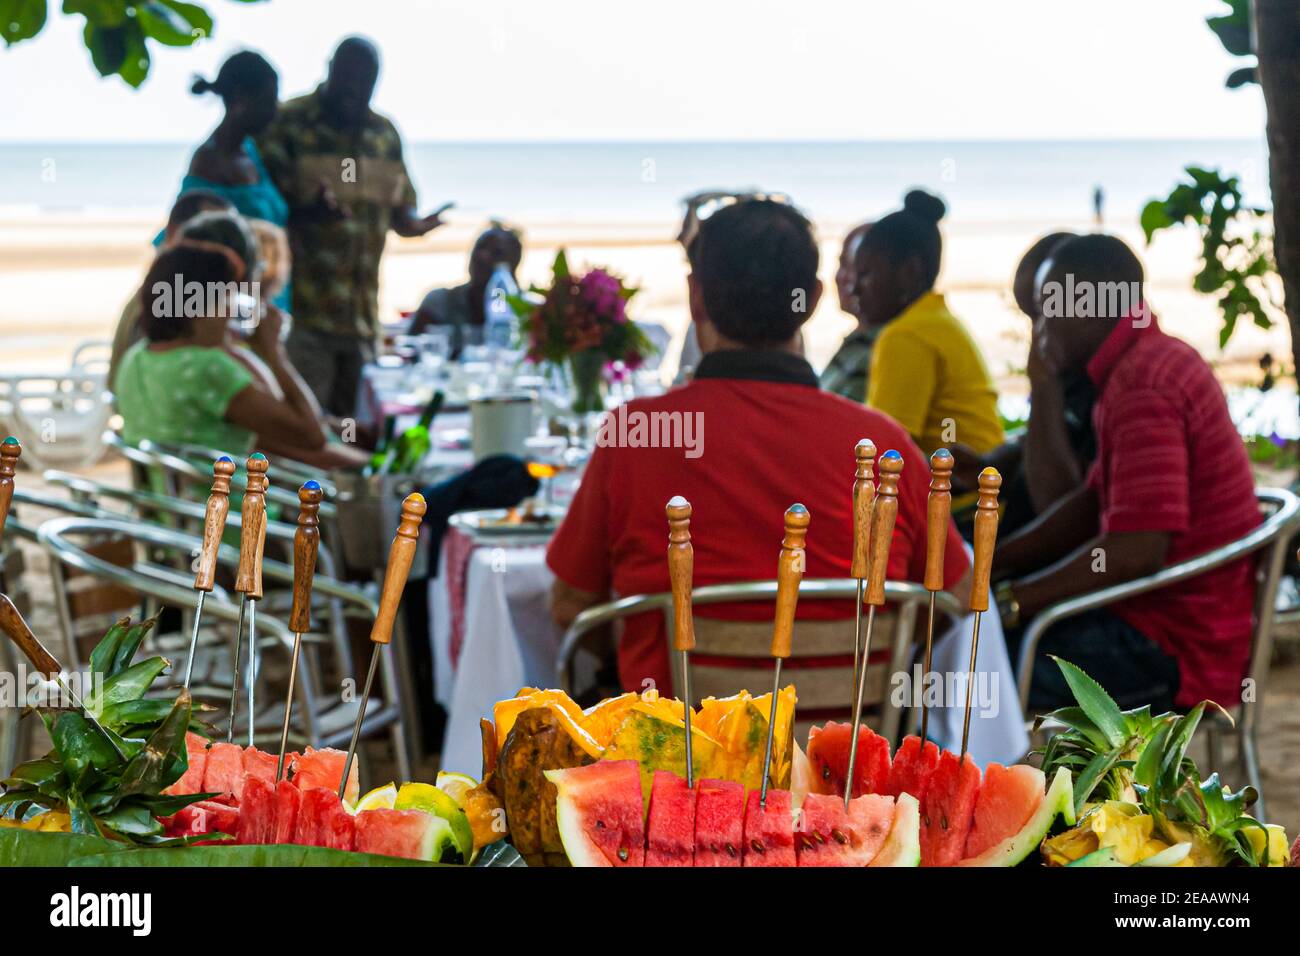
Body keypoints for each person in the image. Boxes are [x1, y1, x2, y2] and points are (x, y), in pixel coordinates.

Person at [546, 198, 971, 695]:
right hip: (843, 759)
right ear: (811, 300)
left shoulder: (636, 434)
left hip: (676, 758)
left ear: (695, 297)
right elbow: (956, 599)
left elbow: (570, 606)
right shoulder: (883, 449)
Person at [992, 234, 1260, 712]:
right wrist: (987, 563)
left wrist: (1012, 602)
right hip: (1160, 621)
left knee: (972, 669)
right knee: (978, 649)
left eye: (1047, 308)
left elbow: (1136, 551)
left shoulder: (1144, 385)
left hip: (1174, 649)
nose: (1040, 329)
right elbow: (1089, 506)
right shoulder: (1142, 364)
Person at [257, 36, 449, 416]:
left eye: (365, 81)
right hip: (302, 320)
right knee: (308, 434)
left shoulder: (383, 135)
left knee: (356, 437)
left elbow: (400, 213)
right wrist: (306, 214)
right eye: (347, 77)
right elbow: (261, 213)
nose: (354, 89)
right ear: (329, 68)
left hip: (361, 324)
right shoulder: (289, 124)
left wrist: (416, 225)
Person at [115, 244, 329, 460]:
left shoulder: (136, 357)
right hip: (224, 493)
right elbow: (312, 435)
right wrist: (275, 353)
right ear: (196, 308)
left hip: (168, 493)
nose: (230, 312)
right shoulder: (208, 367)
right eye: (225, 298)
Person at [857, 190, 1004, 457]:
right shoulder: (938, 321)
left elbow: (885, 454)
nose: (855, 288)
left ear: (909, 271)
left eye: (866, 274)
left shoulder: (906, 335)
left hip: (957, 497)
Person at [183, 50, 289, 309]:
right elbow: (189, 240)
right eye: (268, 102)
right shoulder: (208, 162)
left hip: (267, 301)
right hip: (235, 307)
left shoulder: (252, 153)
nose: (274, 113)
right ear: (241, 98)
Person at [108, 191, 233, 389]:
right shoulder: (168, 300)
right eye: (214, 237)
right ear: (175, 233)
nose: (228, 250)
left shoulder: (163, 293)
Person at [409, 224, 523, 357]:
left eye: (496, 253)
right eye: (480, 248)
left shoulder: (526, 313)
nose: (482, 256)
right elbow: (410, 353)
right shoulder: (439, 301)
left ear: (513, 264)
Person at [819, 221, 878, 401]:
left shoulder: (885, 347)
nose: (842, 277)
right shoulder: (858, 341)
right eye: (842, 264)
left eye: (858, 269)